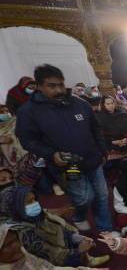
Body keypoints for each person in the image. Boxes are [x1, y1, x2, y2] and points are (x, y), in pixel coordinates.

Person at [16, 64, 116, 235]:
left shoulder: (79, 104)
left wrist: (102, 151)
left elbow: (96, 128)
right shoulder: (29, 112)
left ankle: (105, 228)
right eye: (52, 86)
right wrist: (51, 154)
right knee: (85, 197)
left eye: (61, 84)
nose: (59, 89)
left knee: (101, 194)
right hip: (66, 164)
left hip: (93, 158)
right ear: (39, 86)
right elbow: (27, 140)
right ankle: (79, 215)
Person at [0, 186, 109, 267]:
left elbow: (57, 228)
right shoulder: (20, 233)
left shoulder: (33, 215)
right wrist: (79, 251)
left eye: (34, 199)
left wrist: (77, 238)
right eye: (29, 202)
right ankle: (82, 264)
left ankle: (85, 259)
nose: (35, 204)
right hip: (47, 267)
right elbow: (51, 256)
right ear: (15, 208)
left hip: (60, 249)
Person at [96, 95, 127, 164]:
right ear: (103, 105)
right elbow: (99, 135)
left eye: (112, 103)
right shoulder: (99, 118)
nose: (111, 106)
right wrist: (114, 142)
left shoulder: (122, 114)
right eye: (108, 104)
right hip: (111, 144)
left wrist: (126, 139)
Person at [0, 105, 28, 177]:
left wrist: (11, 137)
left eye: (7, 111)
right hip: (17, 169)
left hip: (32, 156)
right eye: (1, 112)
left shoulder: (19, 121)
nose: (6, 113)